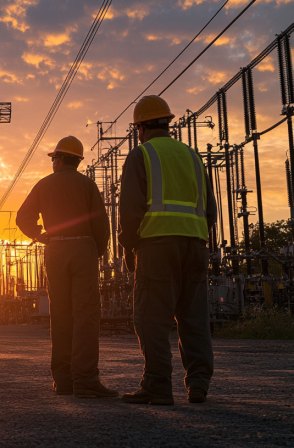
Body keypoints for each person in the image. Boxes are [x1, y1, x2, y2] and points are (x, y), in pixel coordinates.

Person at [119, 95, 217, 405]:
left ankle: (158, 385)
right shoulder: (191, 156)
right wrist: (197, 237)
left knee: (151, 317)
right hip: (196, 244)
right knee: (194, 318)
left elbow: (131, 211)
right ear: (168, 123)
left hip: (157, 246)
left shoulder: (141, 155)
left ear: (140, 128)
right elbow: (210, 210)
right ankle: (198, 384)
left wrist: (128, 247)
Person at [16, 136, 116, 398]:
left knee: (60, 314)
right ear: (78, 160)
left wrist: (38, 234)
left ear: (59, 159)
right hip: (83, 248)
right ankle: (85, 379)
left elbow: (22, 217)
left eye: (53, 159)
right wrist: (98, 250)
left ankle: (63, 380)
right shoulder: (87, 185)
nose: (53, 163)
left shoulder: (44, 185)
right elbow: (101, 224)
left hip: (56, 250)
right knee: (85, 314)